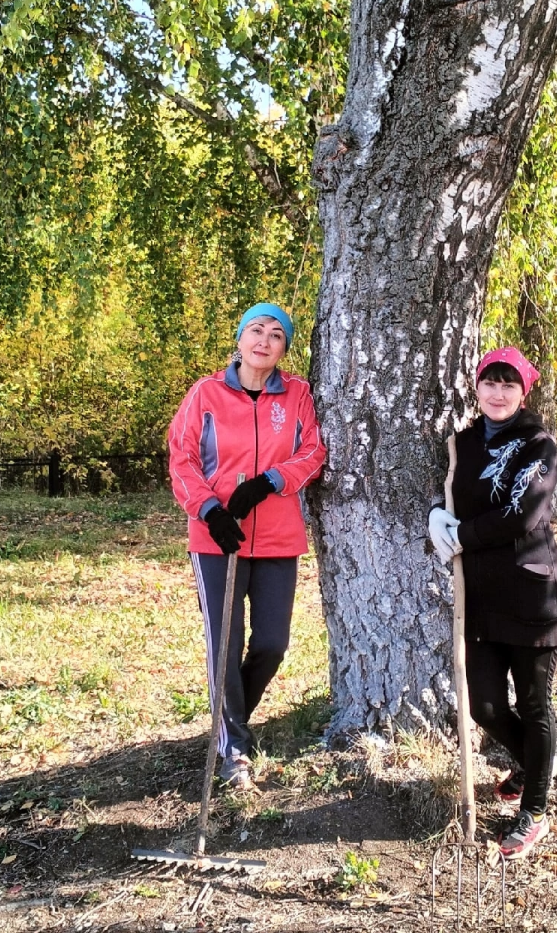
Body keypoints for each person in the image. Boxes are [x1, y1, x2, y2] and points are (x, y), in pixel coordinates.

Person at [167, 303, 327, 789]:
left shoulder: (297, 394)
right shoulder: (206, 394)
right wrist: (209, 510)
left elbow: (314, 452)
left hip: (278, 537)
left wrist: (269, 481)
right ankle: (235, 748)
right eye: (255, 330)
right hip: (217, 540)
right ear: (239, 339)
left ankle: (227, 719)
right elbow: (182, 457)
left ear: (284, 349)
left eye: (277, 334)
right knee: (225, 643)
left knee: (272, 645)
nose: (264, 340)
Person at [429, 347, 557, 861]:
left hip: (533, 593)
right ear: (477, 386)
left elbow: (522, 513)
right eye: (490, 382)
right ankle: (535, 761)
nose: (498, 393)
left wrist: (463, 533)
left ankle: (534, 810)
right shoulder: (461, 443)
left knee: (534, 704)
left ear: (523, 391)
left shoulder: (538, 444)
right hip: (480, 596)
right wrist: (436, 517)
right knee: (486, 705)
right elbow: (452, 495)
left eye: (510, 384)